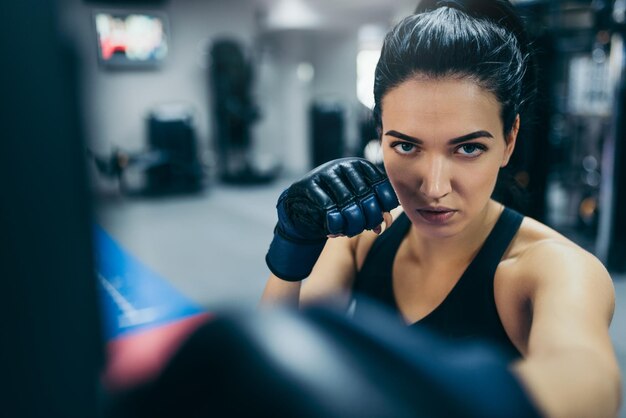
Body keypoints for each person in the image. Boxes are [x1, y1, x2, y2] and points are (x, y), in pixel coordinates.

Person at [261, 1, 621, 416]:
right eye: (406, 146)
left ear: (509, 140)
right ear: (380, 133)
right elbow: (276, 370)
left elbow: (589, 382)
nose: (433, 188)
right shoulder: (361, 238)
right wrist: (289, 249)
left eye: (468, 148)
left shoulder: (552, 268)